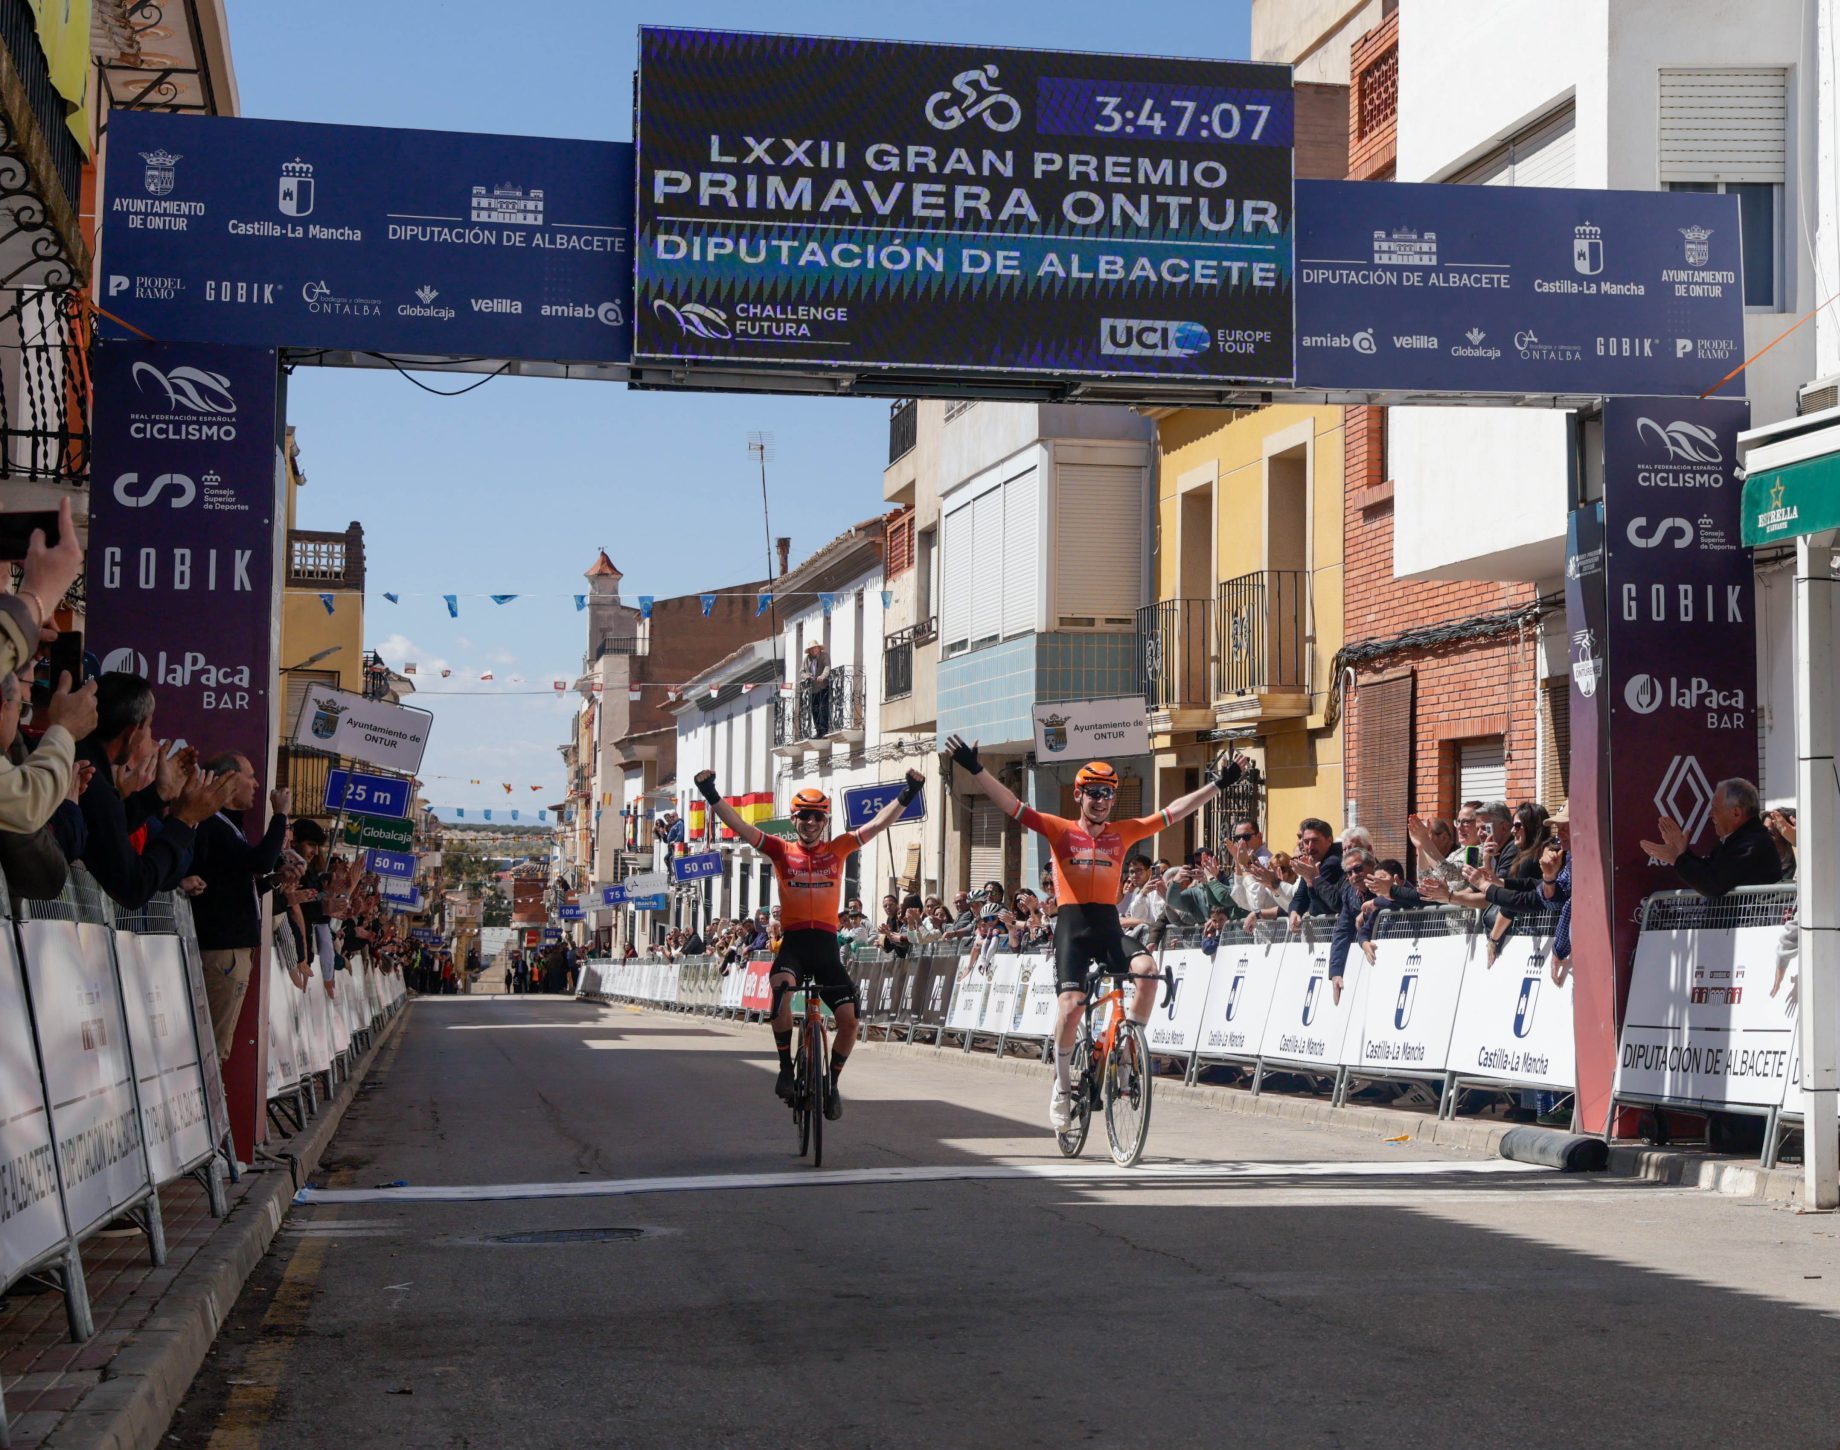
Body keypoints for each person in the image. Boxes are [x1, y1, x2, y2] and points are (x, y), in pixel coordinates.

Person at [945, 734, 1247, 1132]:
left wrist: (1219, 785)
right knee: (1071, 1007)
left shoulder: (1123, 833)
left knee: (1147, 971)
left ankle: (1125, 1057)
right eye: (1093, 793)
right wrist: (976, 769)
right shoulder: (1058, 830)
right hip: (1072, 927)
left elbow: (1174, 810)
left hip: (1106, 925)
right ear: (1079, 794)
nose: (1101, 800)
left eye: (1108, 793)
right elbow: (1012, 806)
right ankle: (1062, 1086)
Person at [695, 765, 923, 1120]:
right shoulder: (781, 850)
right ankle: (786, 1069)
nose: (810, 823)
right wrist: (710, 794)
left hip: (827, 950)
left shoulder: (840, 849)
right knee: (781, 991)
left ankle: (831, 1086)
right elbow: (741, 828)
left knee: (849, 1021)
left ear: (826, 821)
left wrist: (908, 793)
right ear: (795, 819)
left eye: (817, 817)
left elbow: (878, 823)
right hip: (796, 947)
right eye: (804, 817)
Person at [76, 673, 234, 910]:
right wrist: (184, 820)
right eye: (149, 726)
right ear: (133, 731)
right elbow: (133, 886)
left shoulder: (88, 766)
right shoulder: (91, 778)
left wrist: (158, 794)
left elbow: (107, 828)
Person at [188, 754, 289, 1061]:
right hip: (222, 951)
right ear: (230, 780)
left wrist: (275, 881)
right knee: (214, 1046)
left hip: (229, 950)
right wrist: (280, 816)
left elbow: (235, 884)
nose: (257, 784)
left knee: (218, 1042)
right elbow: (260, 862)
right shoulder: (213, 826)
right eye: (250, 776)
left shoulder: (229, 827)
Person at [1639, 777, 1782, 899]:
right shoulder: (1739, 840)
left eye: (1715, 809)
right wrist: (1682, 854)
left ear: (1736, 813)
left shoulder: (1752, 844)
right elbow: (1710, 871)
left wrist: (1677, 859)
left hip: (1750, 928)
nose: (1710, 814)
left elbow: (1713, 884)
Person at [801, 641, 832, 738]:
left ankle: (824, 730)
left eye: (815, 648)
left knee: (823, 707)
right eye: (811, 649)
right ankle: (818, 731)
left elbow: (827, 667)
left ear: (819, 648)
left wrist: (823, 676)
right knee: (814, 710)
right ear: (809, 651)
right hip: (813, 688)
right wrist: (807, 676)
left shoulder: (824, 656)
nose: (814, 650)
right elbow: (801, 671)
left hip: (823, 686)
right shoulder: (807, 659)